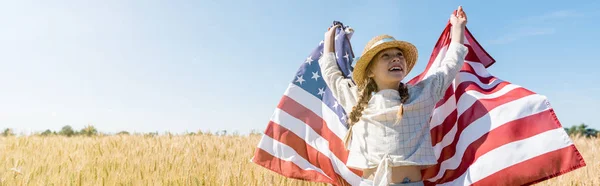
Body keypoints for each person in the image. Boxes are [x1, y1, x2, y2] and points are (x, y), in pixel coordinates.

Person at [318, 6, 469, 186]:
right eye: (386, 56)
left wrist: (458, 28)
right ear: (370, 71)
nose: (396, 58)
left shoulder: (422, 94)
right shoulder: (355, 98)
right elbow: (331, 73)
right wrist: (329, 40)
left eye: (399, 55)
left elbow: (450, 66)